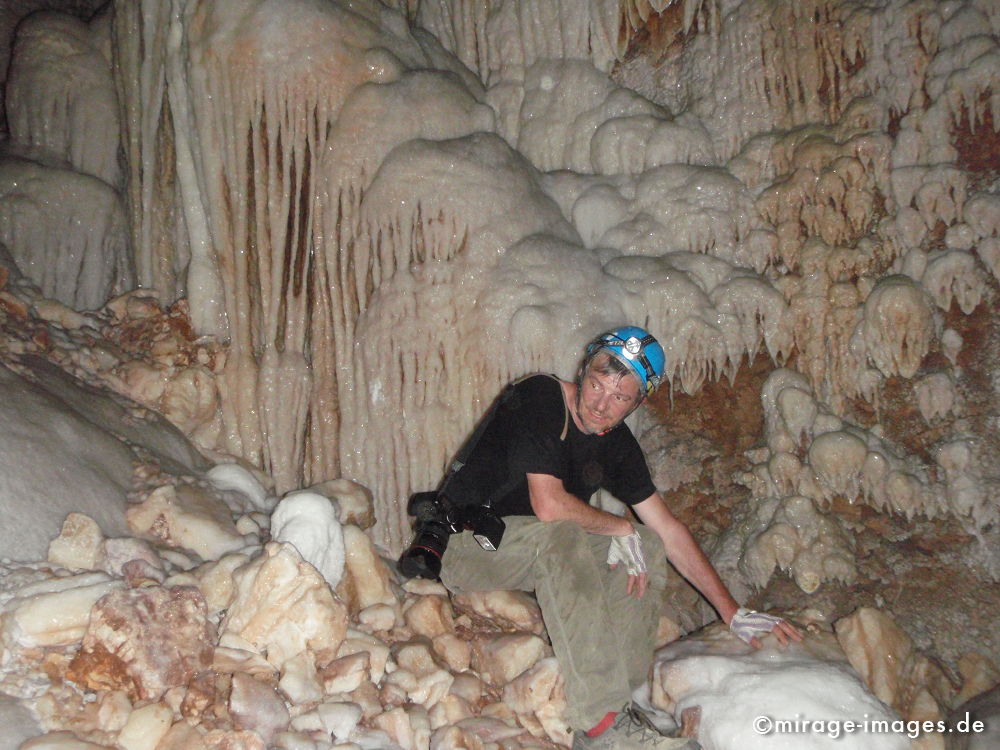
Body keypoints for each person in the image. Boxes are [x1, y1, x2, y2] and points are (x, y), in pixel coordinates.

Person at [401, 326, 802, 749]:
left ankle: (621, 704)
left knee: (646, 545)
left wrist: (731, 612)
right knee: (568, 535)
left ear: (637, 403)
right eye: (596, 384)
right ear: (582, 370)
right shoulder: (540, 396)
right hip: (466, 546)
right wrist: (618, 526)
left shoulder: (616, 444)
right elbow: (549, 505)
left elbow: (667, 529)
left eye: (619, 397)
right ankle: (599, 725)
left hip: (530, 551)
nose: (600, 404)